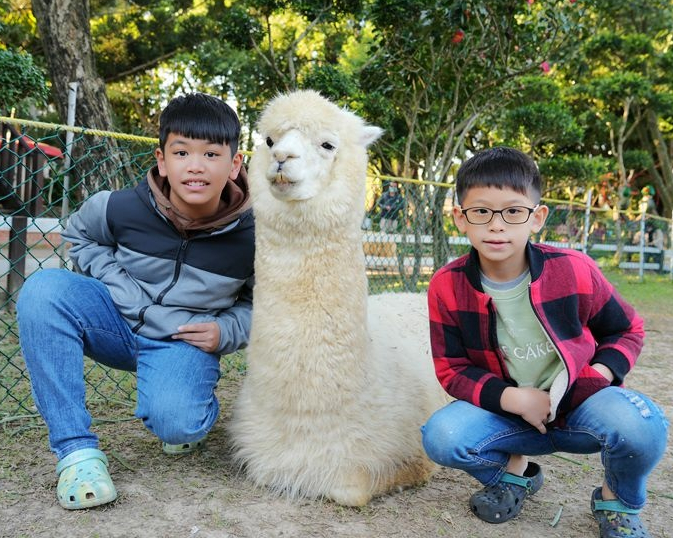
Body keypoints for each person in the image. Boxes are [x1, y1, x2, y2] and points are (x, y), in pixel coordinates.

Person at [16, 93, 255, 510]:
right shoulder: (121, 206)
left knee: (178, 424)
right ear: (162, 160)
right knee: (43, 290)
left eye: (211, 154)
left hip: (182, 339)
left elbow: (267, 305)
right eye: (181, 152)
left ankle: (188, 407)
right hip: (114, 321)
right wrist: (114, 279)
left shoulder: (257, 236)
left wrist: (226, 330)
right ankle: (76, 453)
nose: (195, 165)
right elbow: (77, 235)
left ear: (234, 165)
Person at [421, 147, 668, 537]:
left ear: (536, 218)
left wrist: (597, 376)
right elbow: (453, 369)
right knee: (443, 436)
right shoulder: (447, 285)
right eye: (481, 212)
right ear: (460, 218)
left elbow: (628, 328)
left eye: (513, 212)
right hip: (510, 413)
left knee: (644, 427)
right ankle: (514, 475)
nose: (496, 226)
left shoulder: (573, 270)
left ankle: (616, 501)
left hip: (582, 404)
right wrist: (514, 399)